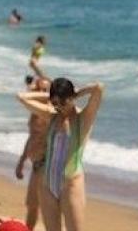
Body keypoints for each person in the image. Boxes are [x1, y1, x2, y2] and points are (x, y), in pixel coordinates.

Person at [16, 77, 103, 231]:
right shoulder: (52, 116)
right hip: (47, 184)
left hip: (71, 185)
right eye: (55, 104)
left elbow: (98, 88)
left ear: (71, 98)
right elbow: (21, 97)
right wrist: (50, 96)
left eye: (62, 103)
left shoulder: (84, 117)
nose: (59, 107)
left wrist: (77, 92)